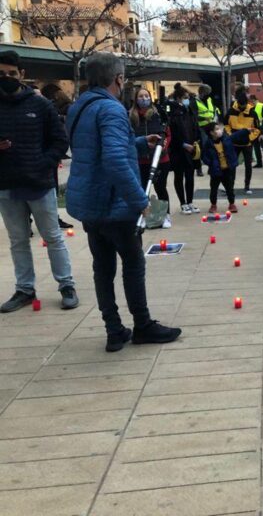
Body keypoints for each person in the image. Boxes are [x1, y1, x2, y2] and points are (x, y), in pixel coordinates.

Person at [66, 52, 180, 351]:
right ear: (118, 78)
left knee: (102, 268)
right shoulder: (112, 109)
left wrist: (140, 142)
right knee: (132, 264)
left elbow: (96, 148)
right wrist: (139, 199)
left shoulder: (79, 107)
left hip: (90, 203)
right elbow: (115, 160)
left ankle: (114, 330)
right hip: (114, 204)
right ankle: (142, 325)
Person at [0, 51, 79, 313]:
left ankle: (66, 285)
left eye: (11, 73)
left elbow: (60, 141)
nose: (7, 78)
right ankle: (24, 289)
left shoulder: (41, 105)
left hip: (39, 183)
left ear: (21, 75)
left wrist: (42, 163)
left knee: (53, 237)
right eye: (1, 74)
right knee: (18, 240)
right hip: (6, 184)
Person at [129, 88, 172, 228]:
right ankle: (143, 216)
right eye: (141, 96)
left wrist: (164, 145)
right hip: (141, 159)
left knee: (160, 188)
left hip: (160, 158)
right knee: (142, 191)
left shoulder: (158, 114)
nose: (144, 98)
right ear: (136, 99)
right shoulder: (130, 116)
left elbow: (167, 133)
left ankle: (165, 216)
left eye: (146, 96)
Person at [202, 123, 259, 213]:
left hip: (227, 169)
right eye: (216, 129)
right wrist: (211, 163)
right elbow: (204, 156)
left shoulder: (226, 139)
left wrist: (246, 130)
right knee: (213, 189)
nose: (219, 130)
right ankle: (213, 205)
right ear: (211, 133)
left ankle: (231, 204)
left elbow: (236, 135)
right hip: (215, 170)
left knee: (229, 188)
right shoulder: (208, 144)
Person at [40, 83, 74, 229]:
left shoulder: (54, 109)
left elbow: (59, 137)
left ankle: (54, 219)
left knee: (51, 191)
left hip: (48, 158)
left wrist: (52, 157)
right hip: (37, 158)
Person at [166, 83, 200, 214]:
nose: (188, 100)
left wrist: (196, 141)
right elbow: (172, 133)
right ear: (179, 98)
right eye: (186, 97)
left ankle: (190, 201)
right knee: (179, 176)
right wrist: (183, 144)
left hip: (191, 148)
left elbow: (194, 127)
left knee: (190, 176)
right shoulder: (174, 113)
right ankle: (183, 203)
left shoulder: (189, 111)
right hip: (178, 150)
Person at [225, 87, 258, 195]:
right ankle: (230, 186)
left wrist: (250, 138)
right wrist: (231, 136)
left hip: (247, 143)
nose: (242, 107)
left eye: (244, 106)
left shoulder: (252, 112)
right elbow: (226, 125)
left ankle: (247, 186)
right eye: (240, 105)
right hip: (234, 143)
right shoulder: (231, 111)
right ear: (237, 103)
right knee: (232, 165)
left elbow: (257, 129)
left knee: (248, 165)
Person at [251, 95, 263, 169]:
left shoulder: (262, 106)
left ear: (256, 100)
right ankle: (259, 163)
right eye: (251, 101)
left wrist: (262, 132)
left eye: (253, 100)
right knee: (256, 148)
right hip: (255, 131)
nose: (252, 102)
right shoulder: (253, 108)